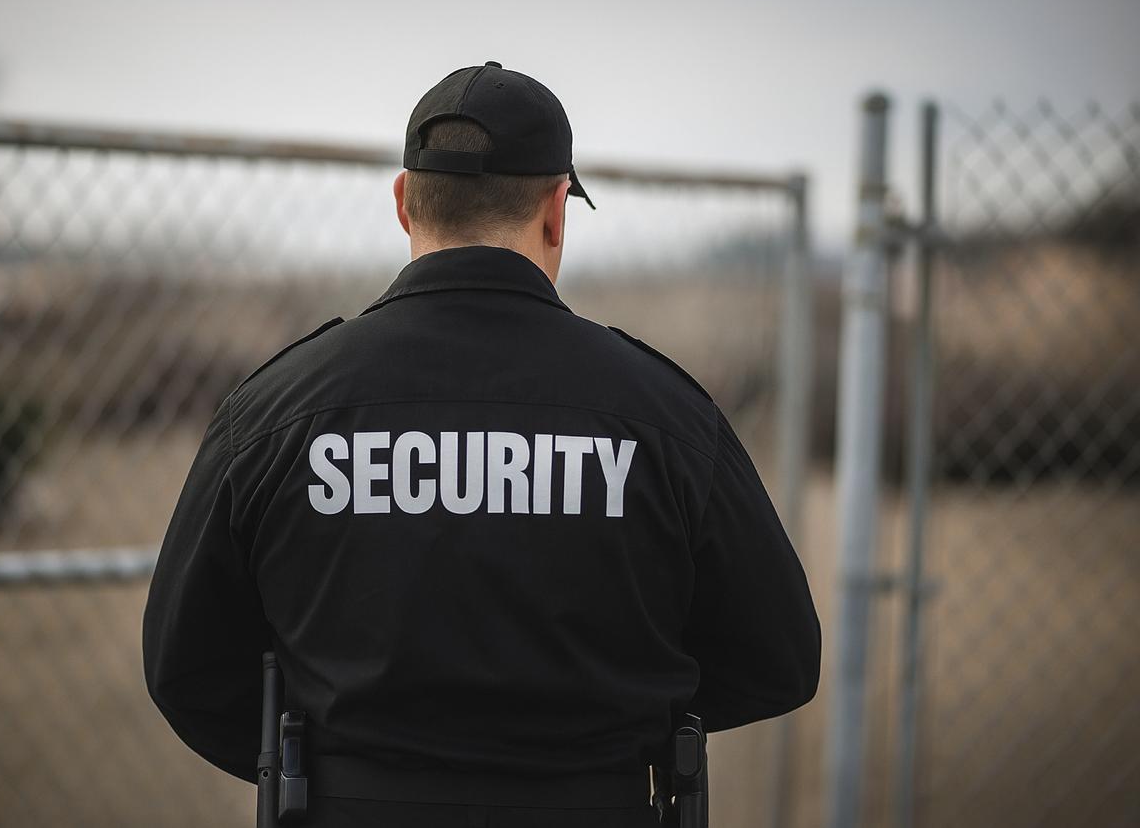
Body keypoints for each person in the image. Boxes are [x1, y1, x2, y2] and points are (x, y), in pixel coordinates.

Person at [143, 61, 821, 828]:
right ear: (557, 211)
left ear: (404, 204)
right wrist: (621, 718)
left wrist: (335, 758)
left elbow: (184, 666)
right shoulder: (664, 415)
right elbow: (780, 657)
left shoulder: (273, 411)